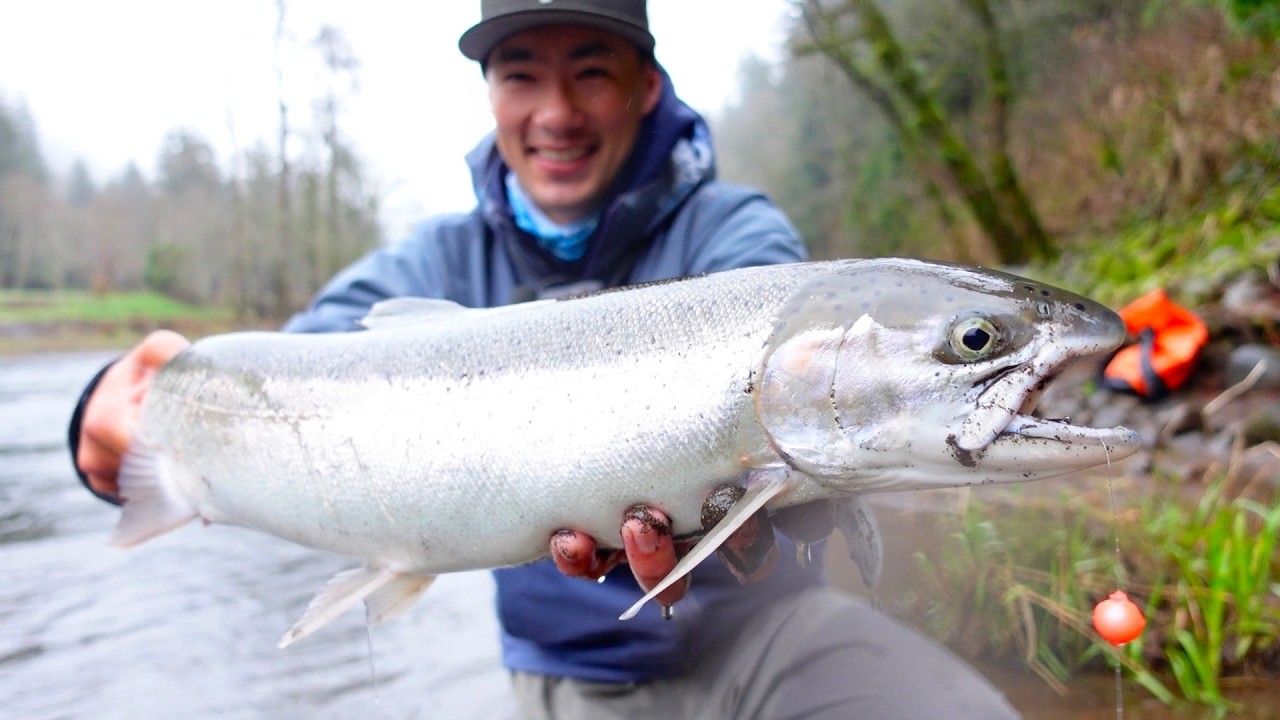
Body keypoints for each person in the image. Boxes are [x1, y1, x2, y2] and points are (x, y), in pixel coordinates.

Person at [70, 2, 1021, 718]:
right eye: (521, 75)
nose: (556, 112)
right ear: (490, 94)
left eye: (592, 72)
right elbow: (271, 388)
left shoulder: (737, 239)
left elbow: (807, 420)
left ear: (648, 84)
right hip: (567, 683)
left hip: (767, 637)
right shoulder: (429, 264)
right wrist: (105, 424)